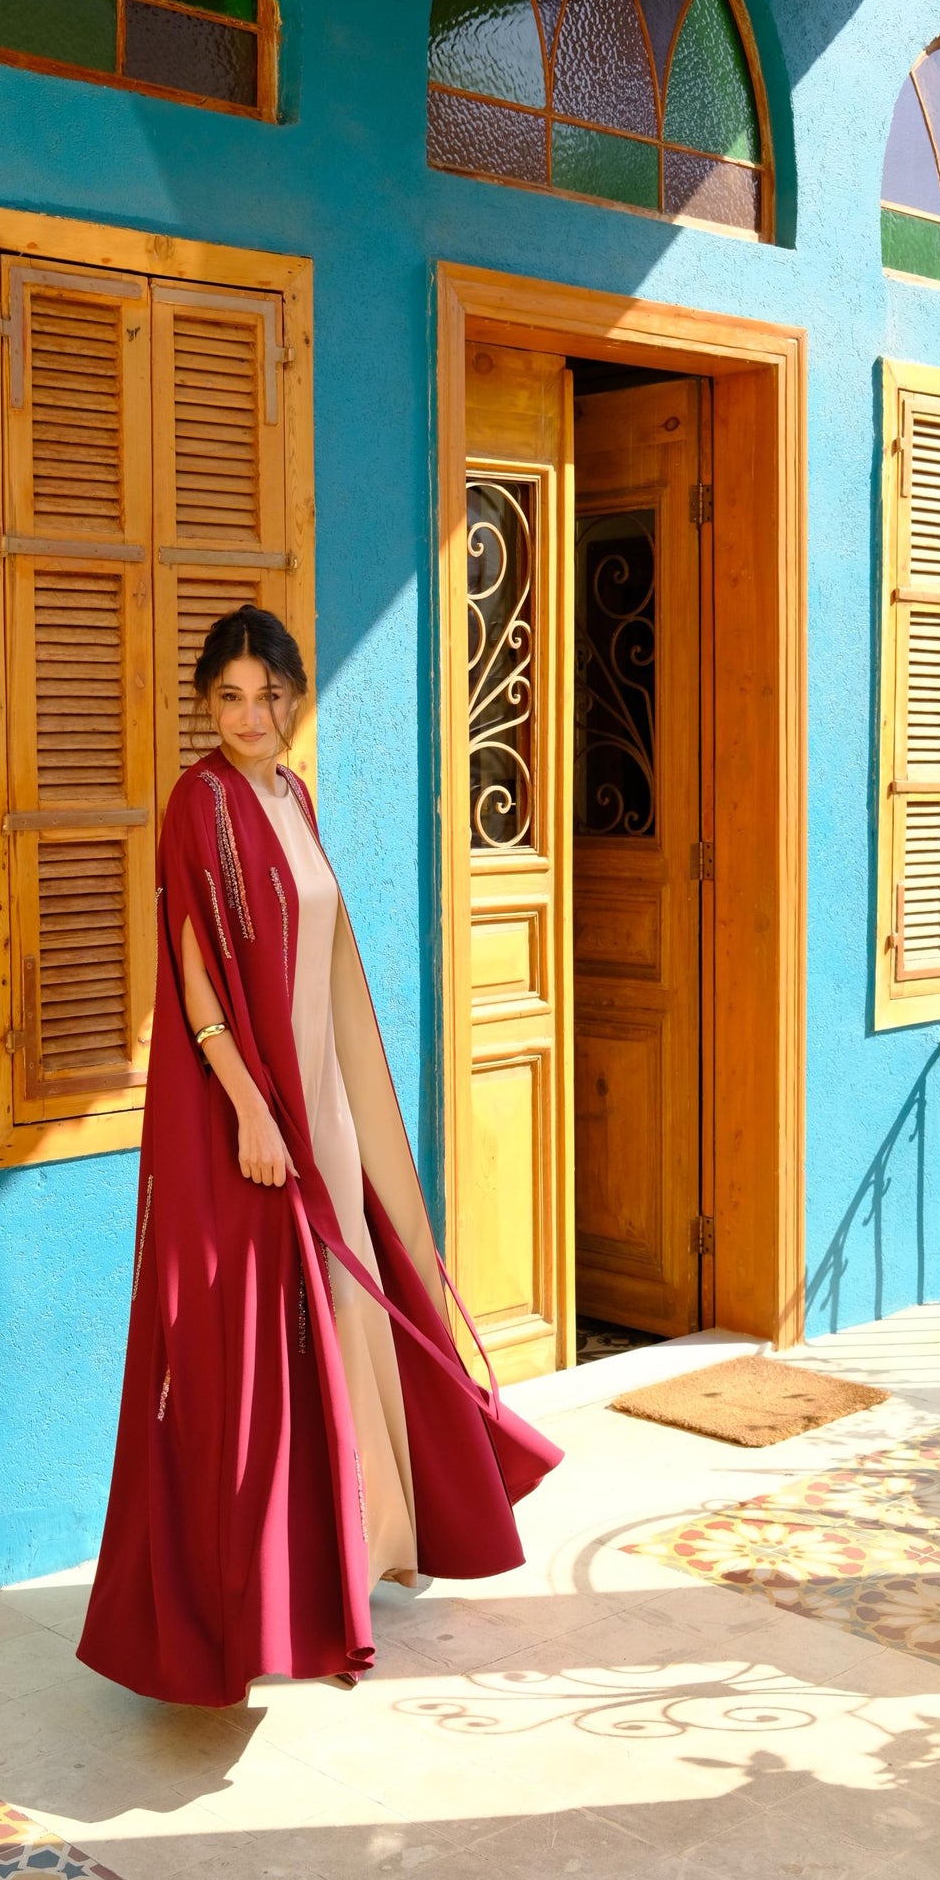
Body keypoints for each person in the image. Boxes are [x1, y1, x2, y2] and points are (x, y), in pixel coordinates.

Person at [77, 606, 562, 1707]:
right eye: (233, 697)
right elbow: (194, 977)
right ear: (206, 703)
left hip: (323, 1111)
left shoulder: (292, 796)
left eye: (272, 695)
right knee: (251, 1353)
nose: (254, 715)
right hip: (248, 1119)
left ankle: (356, 1552)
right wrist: (250, 1106)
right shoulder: (194, 805)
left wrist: (324, 1114)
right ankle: (259, 1606)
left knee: (345, 1329)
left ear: (295, 698)